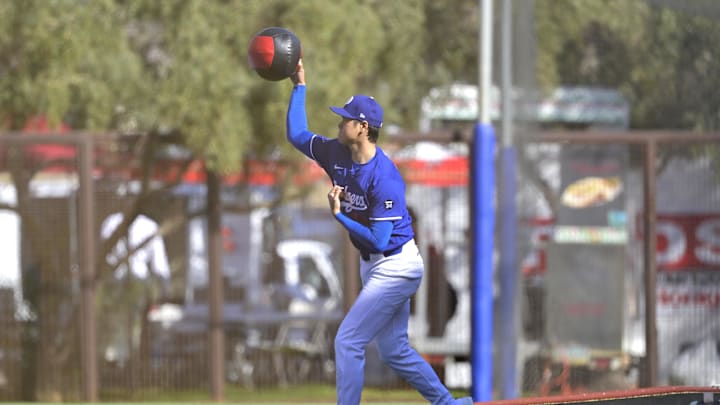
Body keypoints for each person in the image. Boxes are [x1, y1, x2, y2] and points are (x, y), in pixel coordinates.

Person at [286, 60, 473, 405]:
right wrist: (299, 86)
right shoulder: (335, 153)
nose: (339, 123)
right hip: (373, 265)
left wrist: (339, 216)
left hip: (397, 265)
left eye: (345, 118)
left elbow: (380, 240)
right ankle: (449, 404)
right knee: (394, 351)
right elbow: (297, 135)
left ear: (362, 127)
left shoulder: (384, 177)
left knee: (348, 340)